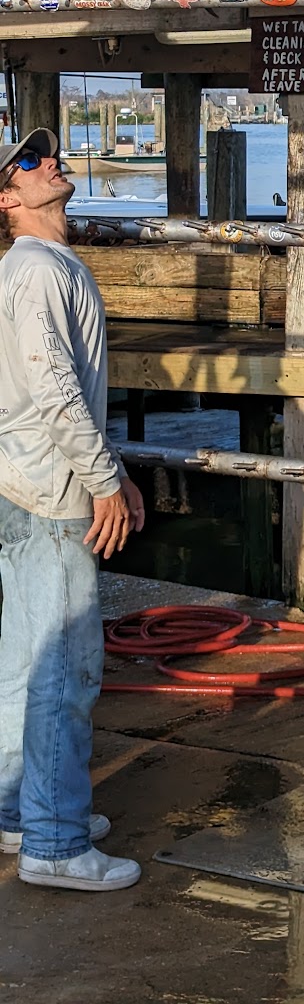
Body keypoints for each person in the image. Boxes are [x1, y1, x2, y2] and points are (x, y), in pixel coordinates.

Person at [0, 128, 145, 892]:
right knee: (64, 671)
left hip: (25, 483)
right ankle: (54, 842)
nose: (49, 162)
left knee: (25, 662)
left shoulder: (38, 266)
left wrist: (113, 473)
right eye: (29, 162)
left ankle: (19, 811)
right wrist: (100, 480)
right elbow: (54, 387)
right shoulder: (35, 270)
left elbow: (62, 389)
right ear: (8, 198)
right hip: (53, 493)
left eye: (46, 153)